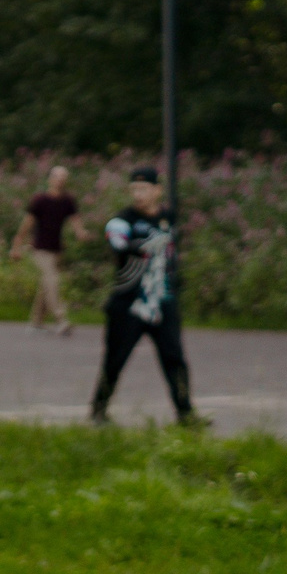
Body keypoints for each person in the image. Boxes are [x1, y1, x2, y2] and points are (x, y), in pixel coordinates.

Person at [88, 167, 202, 425]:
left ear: (157, 191)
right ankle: (99, 410)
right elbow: (118, 243)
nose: (138, 194)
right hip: (128, 304)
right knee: (115, 360)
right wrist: (140, 247)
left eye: (144, 189)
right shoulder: (122, 220)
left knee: (174, 358)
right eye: (134, 189)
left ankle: (186, 414)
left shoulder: (168, 218)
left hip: (163, 302)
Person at [11, 166, 81, 335]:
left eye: (63, 177)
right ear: (50, 179)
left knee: (46, 285)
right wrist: (16, 246)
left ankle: (36, 323)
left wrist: (81, 233)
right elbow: (26, 224)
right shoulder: (40, 200)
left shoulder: (67, 201)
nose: (60, 180)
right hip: (40, 249)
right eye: (57, 176)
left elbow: (76, 221)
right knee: (52, 280)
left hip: (56, 249)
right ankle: (61, 320)